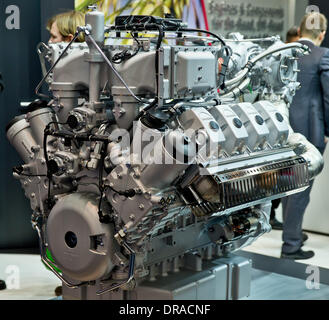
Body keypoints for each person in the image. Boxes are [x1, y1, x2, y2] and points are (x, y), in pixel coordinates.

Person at [281, 12, 329, 260]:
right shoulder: (323, 55)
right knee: (302, 186)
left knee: (289, 183)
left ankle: (293, 232)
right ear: (321, 34)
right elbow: (328, 98)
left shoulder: (286, 52)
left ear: (299, 32)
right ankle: (291, 244)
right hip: (311, 129)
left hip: (284, 128)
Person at [270, 26, 301, 231]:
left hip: (285, 128)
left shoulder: (289, 63)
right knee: (278, 175)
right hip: (282, 128)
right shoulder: (282, 64)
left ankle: (274, 213)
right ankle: (272, 214)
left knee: (281, 175)